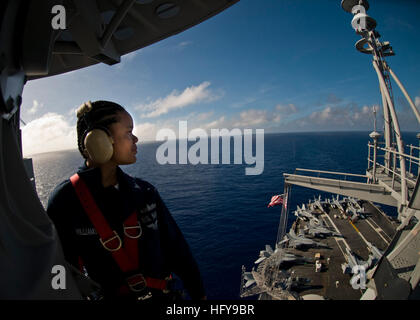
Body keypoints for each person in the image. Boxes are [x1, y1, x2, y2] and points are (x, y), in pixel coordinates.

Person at [47, 100, 205, 300]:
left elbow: (178, 252)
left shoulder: (145, 192)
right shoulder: (64, 201)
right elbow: (59, 271)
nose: (136, 138)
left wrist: (199, 295)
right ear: (100, 139)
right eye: (129, 132)